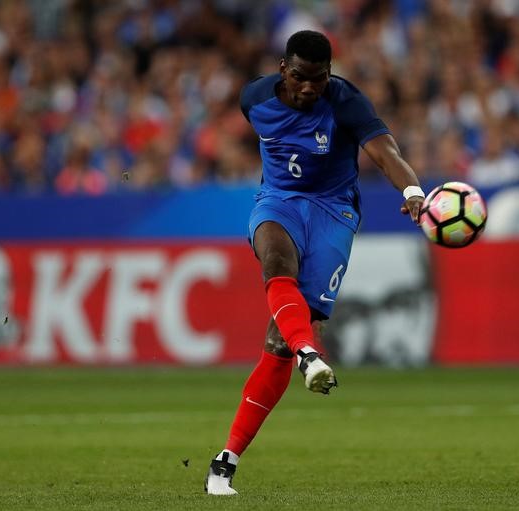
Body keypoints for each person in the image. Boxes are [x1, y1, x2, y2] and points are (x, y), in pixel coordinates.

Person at [204, 30, 425, 496]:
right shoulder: (254, 98)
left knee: (277, 341)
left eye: (319, 79)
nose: (309, 88)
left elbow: (386, 152)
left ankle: (226, 459)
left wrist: (412, 191)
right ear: (284, 68)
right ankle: (310, 355)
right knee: (275, 258)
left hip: (333, 212)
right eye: (301, 77)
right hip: (279, 201)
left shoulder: (345, 102)